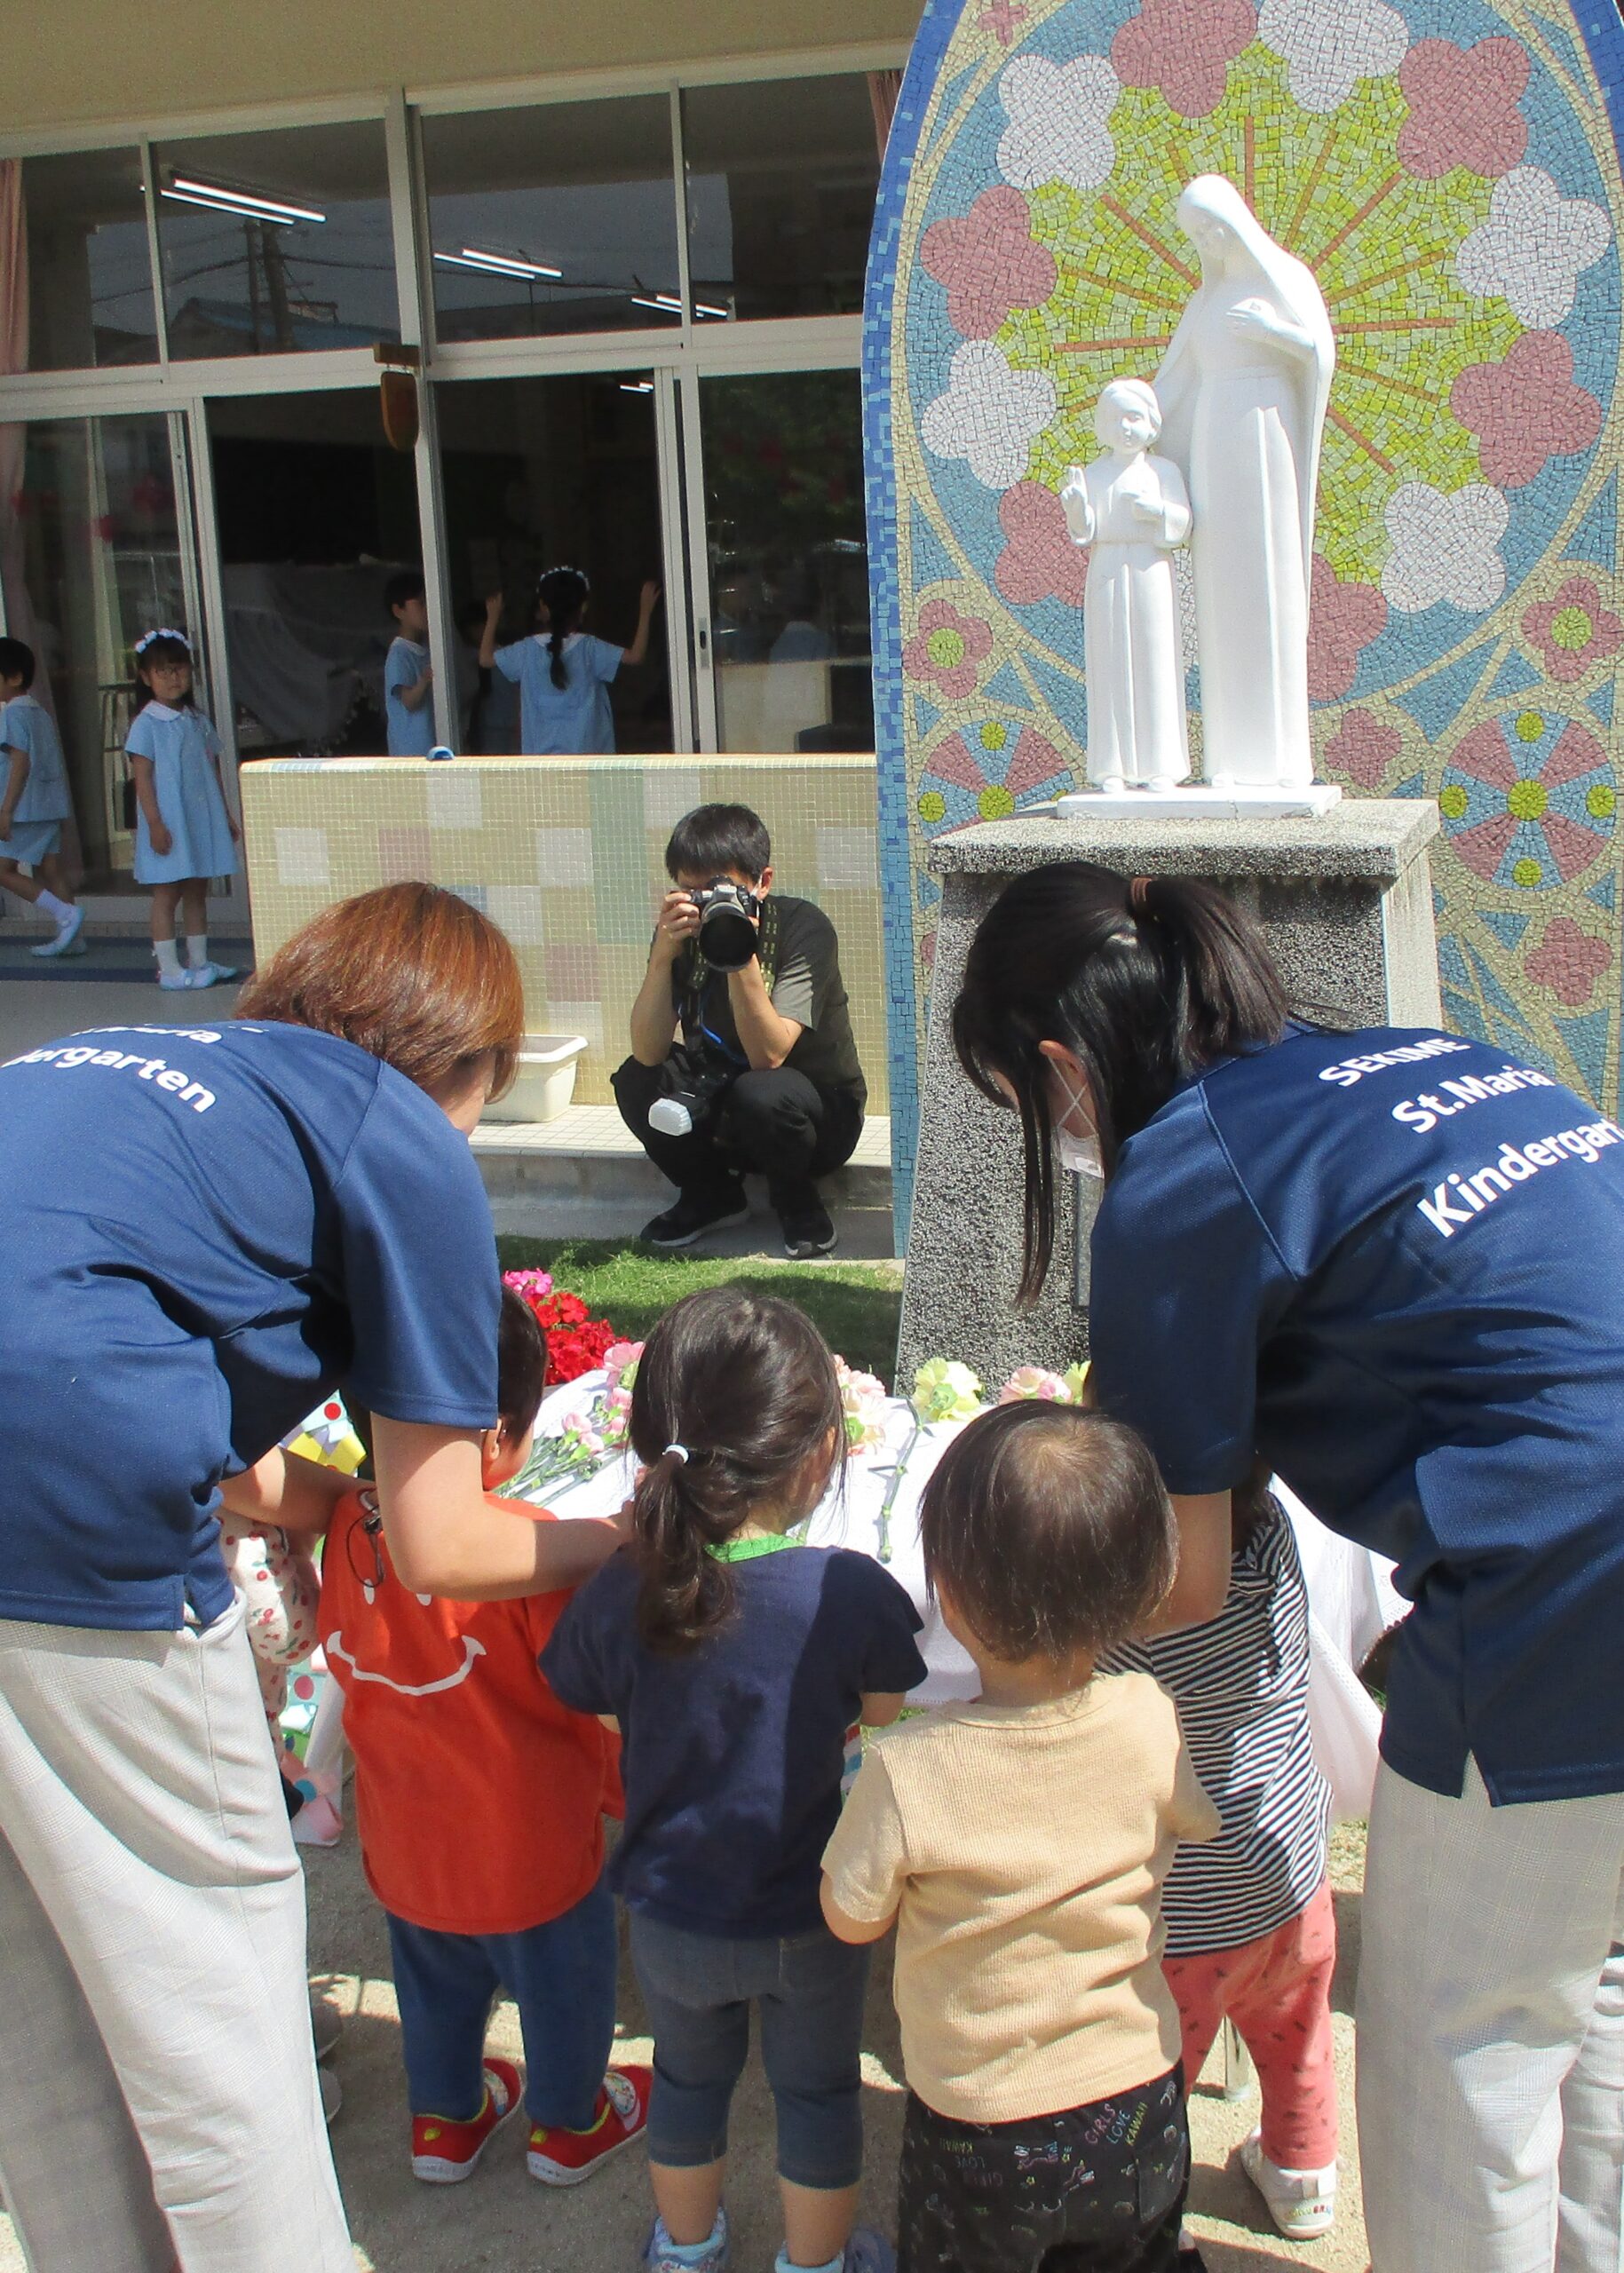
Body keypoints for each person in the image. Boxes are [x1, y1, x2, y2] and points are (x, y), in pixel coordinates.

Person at [950, 858, 1624, 2273]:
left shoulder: (1189, 1171)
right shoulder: (1418, 1055)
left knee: (1465, 2050)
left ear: (1064, 1068)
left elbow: (1181, 1577)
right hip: (1584, 1536)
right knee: (1591, 1987)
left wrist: (995, 1614)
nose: (1053, 1140)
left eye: (1022, 1110)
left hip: (1568, 1576)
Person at [0, 880, 624, 2272]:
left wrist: (322, 1492)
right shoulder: (396, 1133)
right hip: (72, 1532)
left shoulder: (108, 1058)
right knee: (209, 2006)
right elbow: (446, 1543)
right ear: (466, 1062)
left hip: (45, 1463)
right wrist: (621, 1536)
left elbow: (95, 1341)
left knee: (33, 2004)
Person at [543, 1286, 926, 2273]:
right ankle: (815, 2262)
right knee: (817, 2093)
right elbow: (882, 1708)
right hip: (812, 1912)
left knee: (685, 2080)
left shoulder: (626, 1584)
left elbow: (587, 1697)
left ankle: (685, 2246)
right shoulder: (843, 1589)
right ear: (813, 1461)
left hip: (671, 1914)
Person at [821, 1399, 1218, 2273]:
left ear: (949, 1599)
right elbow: (1195, 1819)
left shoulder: (911, 1768)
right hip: (1138, 2098)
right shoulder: (1150, 1717)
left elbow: (850, 1917)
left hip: (979, 2127)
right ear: (1143, 1584)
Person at [319, 1287, 651, 2188]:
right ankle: (568, 2119)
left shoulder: (348, 1522)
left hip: (408, 1841)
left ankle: (447, 2120)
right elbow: (591, 1688)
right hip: (530, 1845)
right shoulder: (524, 1546)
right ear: (499, 1435)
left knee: (431, 1983)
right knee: (563, 1988)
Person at [1105, 1462, 1336, 2261]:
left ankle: (1147, 2219)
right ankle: (1303, 2177)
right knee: (1296, 2041)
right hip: (1295, 1881)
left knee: (1154, 2085)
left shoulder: (1127, 1616)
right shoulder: (1271, 1539)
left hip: (1190, 1923)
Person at [616, 803, 867, 1259]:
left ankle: (797, 1202)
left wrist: (738, 949)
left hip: (814, 1120)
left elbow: (769, 1056)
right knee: (636, 1079)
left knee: (763, 1090)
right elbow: (648, 1050)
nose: (708, 906)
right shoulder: (680, 933)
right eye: (693, 892)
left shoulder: (803, 929)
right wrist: (662, 958)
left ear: (763, 883)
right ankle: (710, 1194)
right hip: (723, 1103)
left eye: (722, 892)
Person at [1059, 379, 1192, 793]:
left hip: (1151, 569)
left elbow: (1183, 523)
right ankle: (1110, 765)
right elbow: (1085, 531)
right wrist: (1077, 506)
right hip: (1108, 569)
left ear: (1151, 423)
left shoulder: (1162, 472)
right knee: (1110, 663)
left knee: (1155, 661)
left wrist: (1158, 512)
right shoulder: (1095, 474)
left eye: (1134, 418)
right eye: (1116, 419)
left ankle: (1160, 766)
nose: (1126, 428)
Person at [126, 628, 241, 990]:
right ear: (146, 677)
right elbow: (142, 779)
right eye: (162, 671)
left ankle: (201, 961)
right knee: (167, 893)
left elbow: (212, 770)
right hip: (169, 821)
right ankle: (170, 969)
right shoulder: (147, 724)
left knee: (196, 890)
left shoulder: (196, 718)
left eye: (179, 669)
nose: (173, 677)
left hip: (199, 818)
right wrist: (155, 823)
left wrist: (224, 815)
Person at [479, 566, 660, 756]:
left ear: (543, 607)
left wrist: (492, 617)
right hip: (588, 762)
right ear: (583, 607)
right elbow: (636, 656)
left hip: (540, 767)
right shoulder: (590, 648)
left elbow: (485, 660)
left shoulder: (527, 650)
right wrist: (645, 610)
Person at [0, 636, 83, 959]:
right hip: (50, 805)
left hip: (25, 809)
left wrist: (6, 810)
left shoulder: (12, 716)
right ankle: (73, 938)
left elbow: (21, 761)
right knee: (52, 870)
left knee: (3, 870)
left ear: (15, 677)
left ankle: (64, 914)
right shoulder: (40, 713)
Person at [383, 570, 436, 758]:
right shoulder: (399, 654)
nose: (426, 609)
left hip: (432, 747)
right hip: (411, 753)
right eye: (420, 604)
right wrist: (424, 680)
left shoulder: (429, 648)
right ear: (398, 611)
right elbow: (409, 702)